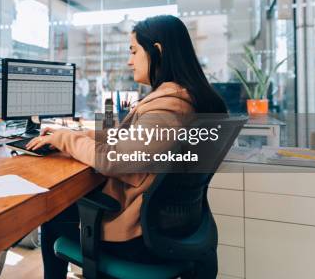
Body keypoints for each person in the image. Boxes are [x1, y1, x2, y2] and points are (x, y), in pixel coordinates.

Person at [26, 15, 227, 278]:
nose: (129, 61)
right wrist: (77, 133)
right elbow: (127, 139)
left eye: (133, 51)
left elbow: (113, 160)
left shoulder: (170, 107)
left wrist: (65, 139)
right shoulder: (185, 99)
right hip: (173, 226)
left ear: (157, 51)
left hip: (139, 236)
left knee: (52, 214)